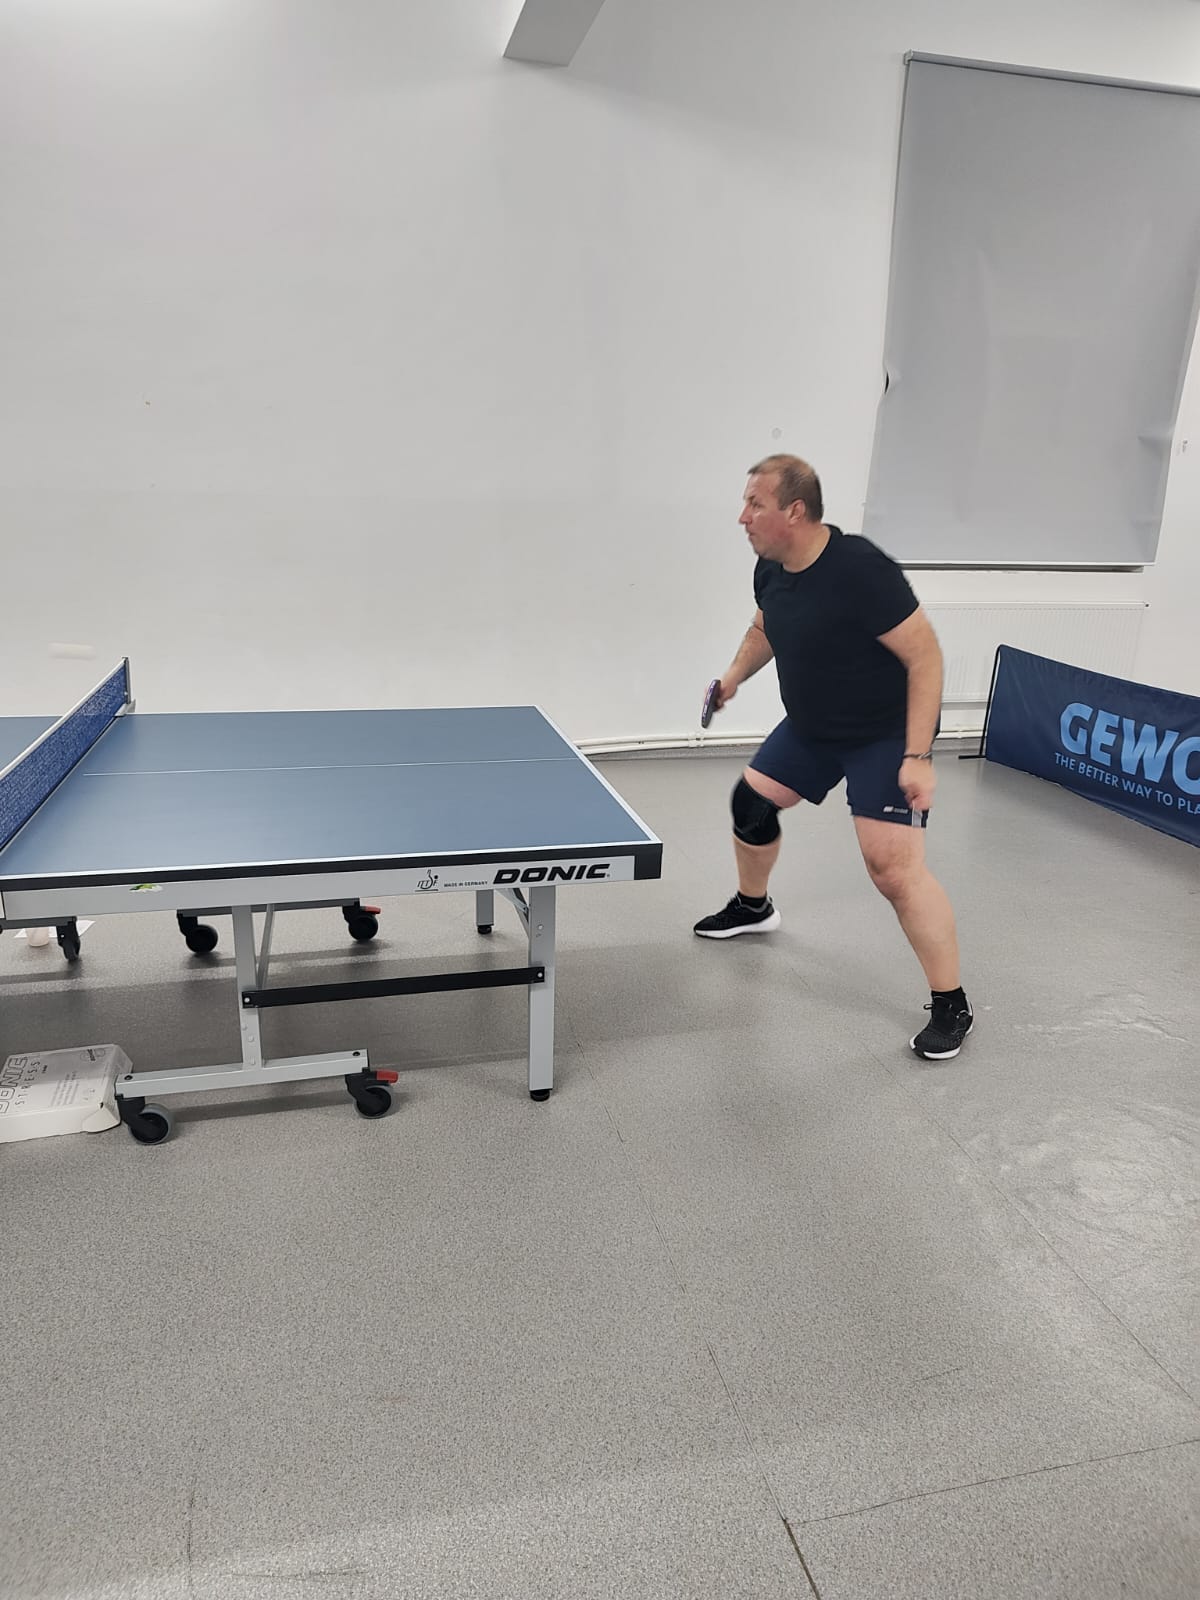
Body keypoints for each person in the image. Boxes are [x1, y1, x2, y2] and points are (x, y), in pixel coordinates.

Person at [694, 453, 972, 1060]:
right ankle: (753, 906)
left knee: (892, 869)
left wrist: (918, 756)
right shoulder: (771, 565)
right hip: (815, 726)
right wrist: (733, 676)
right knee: (751, 806)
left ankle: (952, 1002)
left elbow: (925, 657)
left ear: (794, 511)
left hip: (883, 733)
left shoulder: (861, 570)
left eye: (755, 504)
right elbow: (765, 626)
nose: (743, 516)